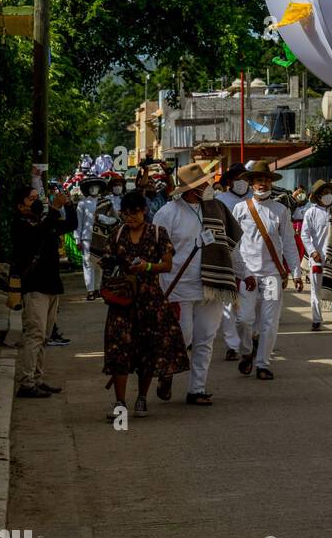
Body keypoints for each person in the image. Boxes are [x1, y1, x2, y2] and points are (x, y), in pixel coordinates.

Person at [154, 163, 242, 406]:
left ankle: (197, 389)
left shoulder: (217, 209)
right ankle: (167, 371)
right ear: (191, 189)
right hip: (178, 286)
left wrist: (241, 273)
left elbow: (230, 245)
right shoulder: (167, 213)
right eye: (202, 184)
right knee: (182, 337)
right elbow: (157, 251)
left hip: (212, 284)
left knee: (205, 338)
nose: (208, 186)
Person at [101, 190, 189, 421]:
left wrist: (148, 267)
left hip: (150, 301)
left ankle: (142, 398)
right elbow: (107, 261)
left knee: (147, 352)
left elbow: (168, 265)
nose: (130, 218)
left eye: (134, 213)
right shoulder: (117, 233)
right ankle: (120, 403)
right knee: (118, 351)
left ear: (144, 211)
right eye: (126, 214)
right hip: (122, 301)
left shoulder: (158, 234)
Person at [233, 163, 303, 381]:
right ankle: (246, 351)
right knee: (243, 320)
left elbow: (289, 244)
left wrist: (296, 272)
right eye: (258, 180)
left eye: (266, 180)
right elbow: (233, 244)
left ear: (271, 183)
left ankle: (263, 363)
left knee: (269, 322)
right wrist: (239, 271)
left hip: (272, 274)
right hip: (248, 275)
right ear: (251, 184)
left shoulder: (281, 210)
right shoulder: (240, 209)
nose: (263, 183)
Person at [11, 184, 78, 398]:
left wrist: (69, 205)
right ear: (20, 206)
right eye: (31, 199)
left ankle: (37, 379)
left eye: (36, 197)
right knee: (35, 334)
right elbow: (38, 235)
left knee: (45, 337)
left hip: (51, 286)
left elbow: (71, 224)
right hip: (34, 288)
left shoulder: (44, 222)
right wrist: (55, 209)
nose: (36, 201)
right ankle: (26, 383)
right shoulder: (20, 225)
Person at [301, 178, 332, 331]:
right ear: (317, 196)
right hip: (317, 258)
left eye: (329, 192)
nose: (327, 195)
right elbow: (305, 235)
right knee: (316, 291)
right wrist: (312, 251)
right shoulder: (311, 212)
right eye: (324, 193)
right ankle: (316, 319)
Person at [213, 163, 251, 360]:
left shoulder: (255, 200)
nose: (241, 182)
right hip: (227, 257)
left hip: (253, 259)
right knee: (228, 304)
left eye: (245, 178)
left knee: (251, 303)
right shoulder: (220, 201)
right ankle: (232, 345)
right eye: (237, 179)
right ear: (229, 181)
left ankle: (250, 339)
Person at [75, 174, 110, 299]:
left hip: (101, 237)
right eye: (91, 187)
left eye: (96, 187)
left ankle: (98, 289)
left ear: (100, 188)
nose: (93, 189)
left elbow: (113, 220)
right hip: (87, 237)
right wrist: (77, 239)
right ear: (88, 189)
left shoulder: (106, 203)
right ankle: (90, 290)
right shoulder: (82, 203)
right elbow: (78, 223)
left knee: (100, 265)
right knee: (88, 263)